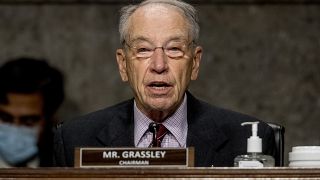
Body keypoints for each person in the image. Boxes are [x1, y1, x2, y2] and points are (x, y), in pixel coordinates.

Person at [53, 0, 275, 167]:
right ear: (123, 65)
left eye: (174, 49)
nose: (159, 65)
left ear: (195, 62)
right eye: (143, 50)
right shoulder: (75, 138)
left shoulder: (244, 139)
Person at [0, 57, 64, 167]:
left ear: (50, 119)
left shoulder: (64, 163)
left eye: (28, 121)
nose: (15, 129)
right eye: (6, 118)